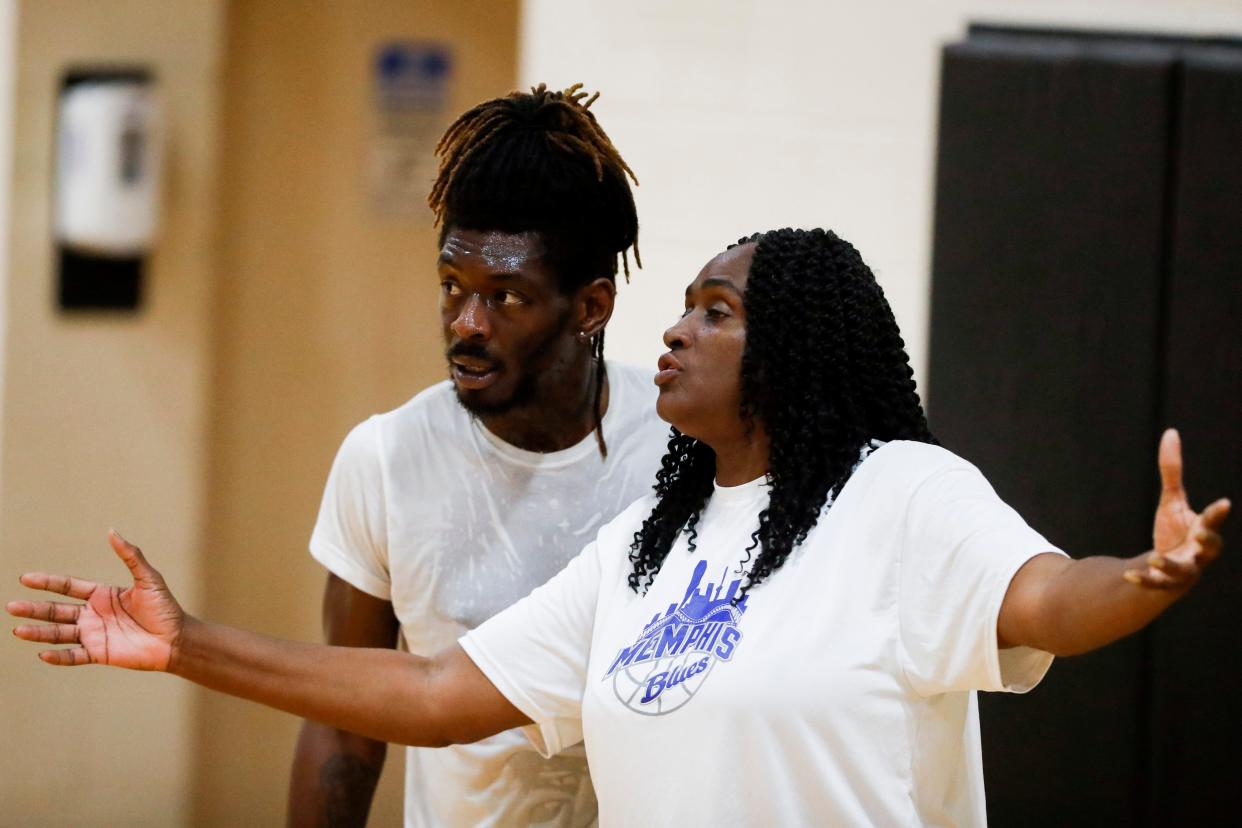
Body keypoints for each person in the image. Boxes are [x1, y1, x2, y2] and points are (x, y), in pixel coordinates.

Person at [8, 228, 1228, 826]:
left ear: (791, 351)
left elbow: (1046, 600)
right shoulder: (653, 544)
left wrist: (1149, 576)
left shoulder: (894, 493)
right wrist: (187, 646)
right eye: (682, 306)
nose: (678, 330)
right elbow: (434, 691)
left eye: (716, 309)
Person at [290, 84, 667, 827]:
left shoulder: (678, 452)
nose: (466, 324)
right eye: (452, 286)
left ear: (591, 307)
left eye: (506, 297)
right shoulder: (386, 459)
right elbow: (346, 719)